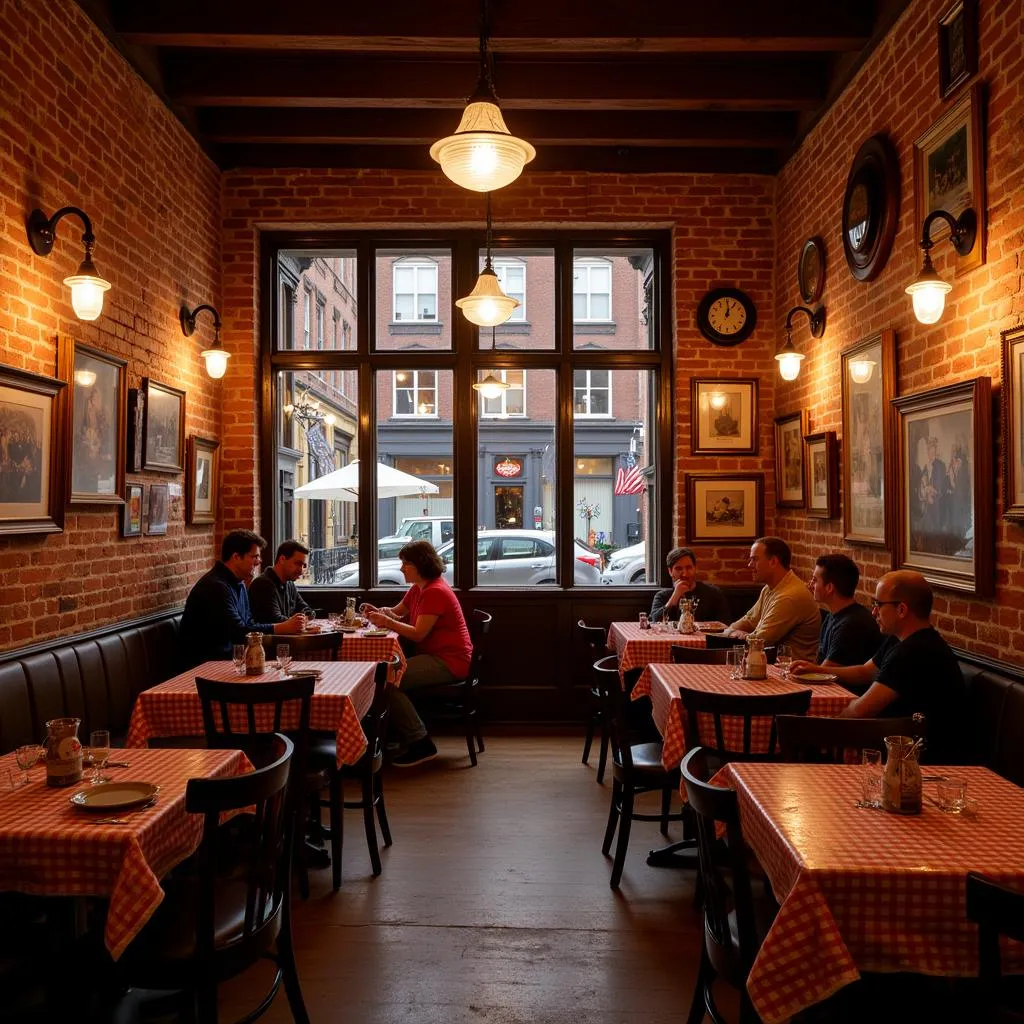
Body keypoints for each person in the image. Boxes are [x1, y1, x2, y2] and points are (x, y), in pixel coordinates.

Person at [791, 570, 968, 764]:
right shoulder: (899, 638)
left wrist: (820, 730)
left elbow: (862, 710)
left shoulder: (914, 652)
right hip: (898, 746)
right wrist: (817, 669)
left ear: (901, 610)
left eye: (878, 604)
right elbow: (865, 671)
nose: (873, 611)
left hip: (924, 760)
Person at [363, 540, 472, 767]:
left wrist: (387, 621)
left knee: (386, 681)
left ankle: (420, 743)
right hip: (437, 656)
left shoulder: (435, 592)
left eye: (406, 564)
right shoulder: (418, 588)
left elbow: (418, 634)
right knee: (385, 678)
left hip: (449, 661)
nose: (402, 568)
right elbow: (397, 613)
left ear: (420, 565)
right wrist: (381, 612)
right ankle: (399, 737)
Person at [179, 529, 305, 666]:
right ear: (236, 557)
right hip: (204, 666)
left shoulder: (240, 583)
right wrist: (281, 627)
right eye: (254, 557)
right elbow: (239, 632)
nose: (259, 561)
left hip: (229, 662)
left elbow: (249, 624)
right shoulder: (216, 587)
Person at [723, 536, 820, 660]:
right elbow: (749, 620)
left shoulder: (789, 596)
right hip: (773, 665)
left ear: (773, 561)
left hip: (793, 672)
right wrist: (730, 631)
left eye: (755, 560)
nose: (749, 565)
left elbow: (759, 641)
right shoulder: (770, 588)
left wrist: (731, 633)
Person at [806, 554, 881, 668]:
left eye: (815, 580)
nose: (811, 584)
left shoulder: (852, 624)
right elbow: (819, 663)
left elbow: (824, 672)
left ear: (829, 588)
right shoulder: (832, 615)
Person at [650, 546, 730, 625]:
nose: (685, 574)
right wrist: (674, 597)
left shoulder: (714, 594)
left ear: (695, 568)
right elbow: (655, 622)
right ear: (670, 571)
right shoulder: (661, 596)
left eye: (688, 568)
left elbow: (724, 625)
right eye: (679, 569)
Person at [249, 539, 315, 623]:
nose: (301, 570)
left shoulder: (289, 583)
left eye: (304, 566)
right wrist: (303, 621)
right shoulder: (262, 585)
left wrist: (309, 614)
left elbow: (305, 608)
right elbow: (275, 620)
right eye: (298, 564)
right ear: (282, 559)